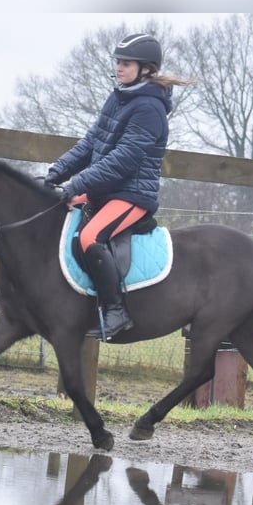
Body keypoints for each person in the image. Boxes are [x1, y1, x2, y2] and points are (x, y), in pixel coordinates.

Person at [45, 33, 194, 340]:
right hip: (107, 188)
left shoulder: (150, 109)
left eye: (126, 63)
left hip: (132, 193)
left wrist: (78, 183)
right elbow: (91, 143)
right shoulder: (118, 96)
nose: (119, 68)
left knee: (89, 237)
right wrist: (56, 173)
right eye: (118, 62)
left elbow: (124, 159)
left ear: (146, 69)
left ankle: (117, 311)